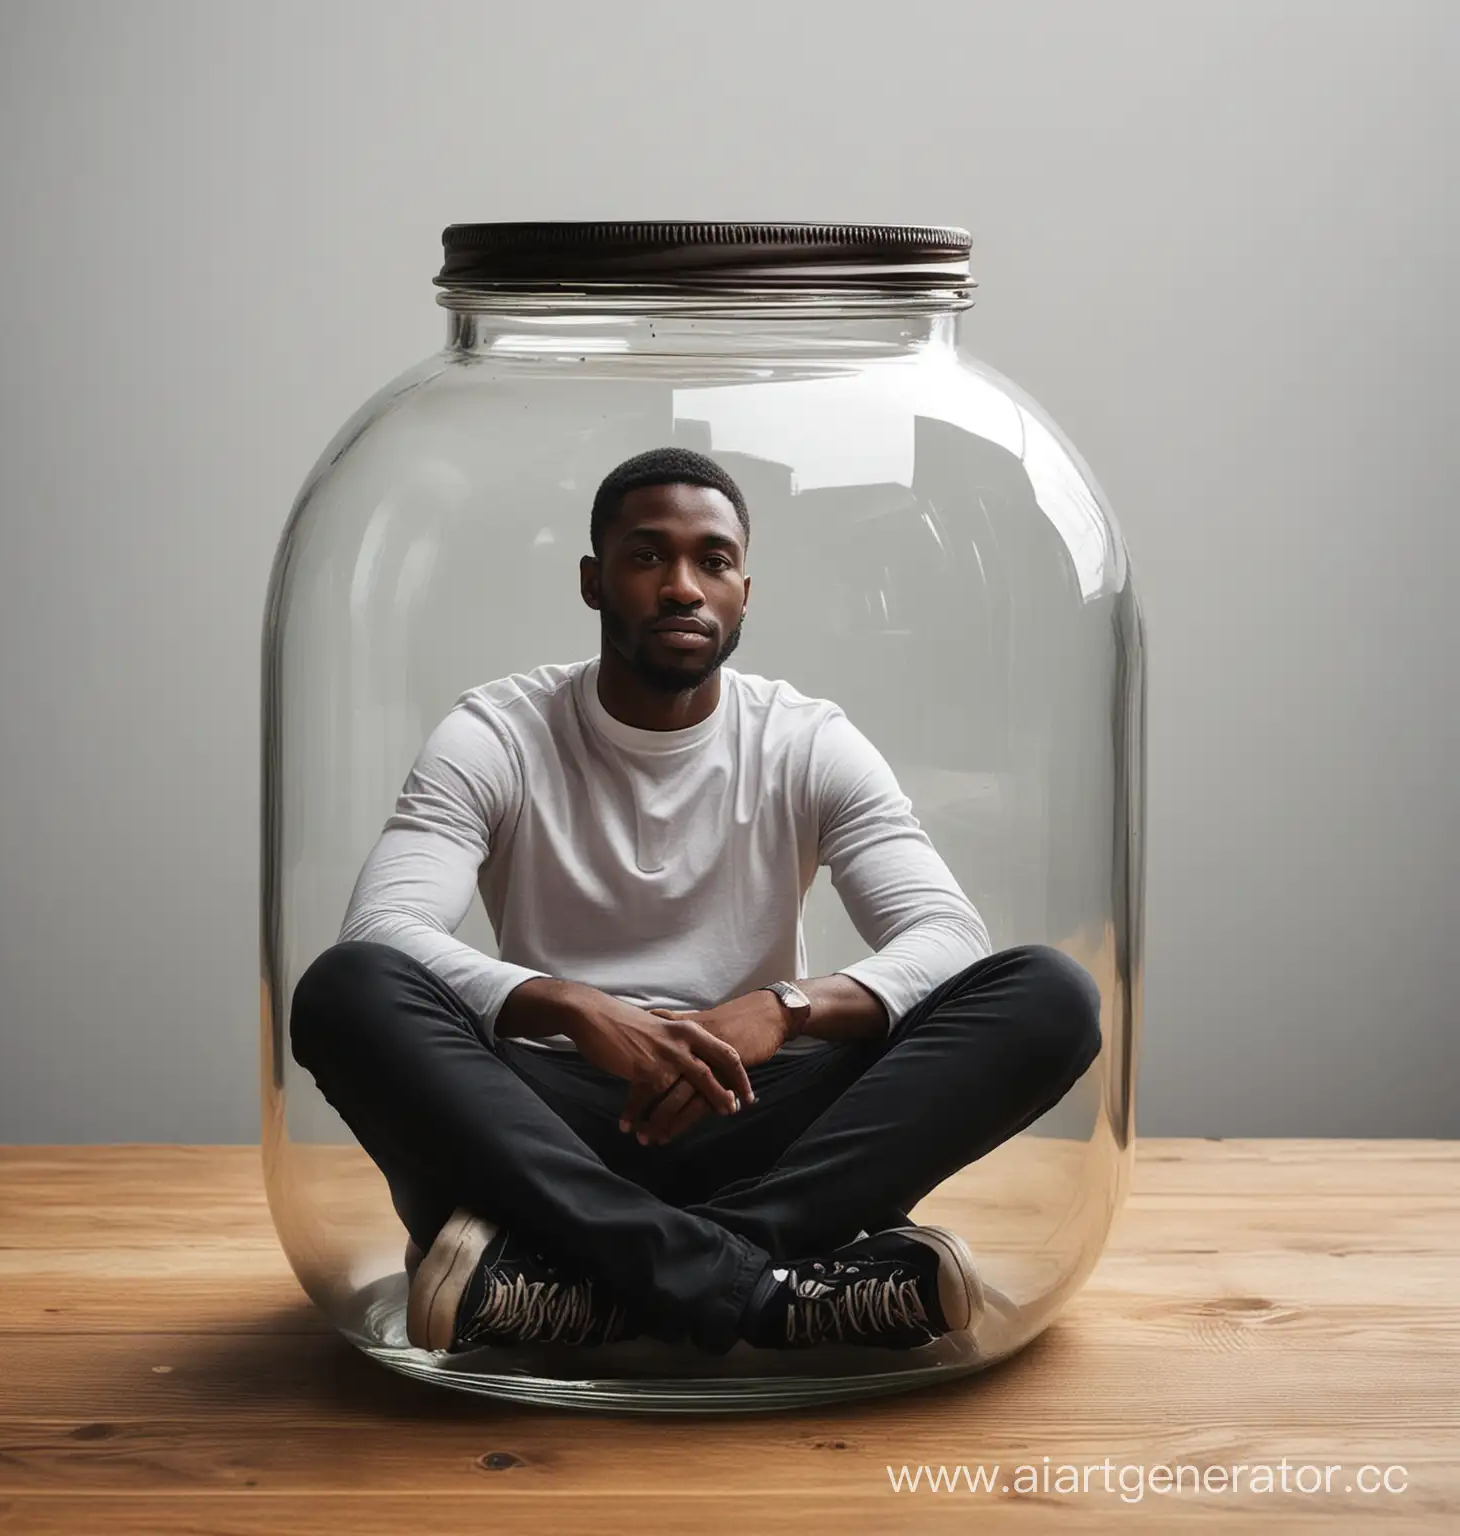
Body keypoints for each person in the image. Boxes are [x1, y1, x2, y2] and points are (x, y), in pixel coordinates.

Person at [289, 446, 1102, 1358]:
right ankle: (778, 1289)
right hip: (546, 1129)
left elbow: (949, 937)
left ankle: (582, 1284)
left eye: (712, 560)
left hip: (752, 1112)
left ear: (744, 592)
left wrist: (785, 1010)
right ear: (595, 583)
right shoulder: (496, 734)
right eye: (647, 557)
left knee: (1049, 995)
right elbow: (383, 933)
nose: (682, 586)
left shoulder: (805, 740)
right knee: (347, 990)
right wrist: (575, 1006)